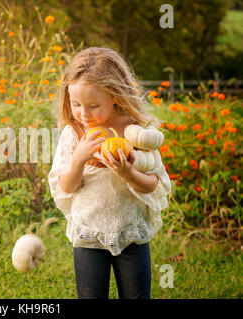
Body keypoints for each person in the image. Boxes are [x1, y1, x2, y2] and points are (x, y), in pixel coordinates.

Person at [48, 47, 171, 299]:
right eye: (76, 104)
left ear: (115, 96)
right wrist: (80, 158)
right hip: (89, 235)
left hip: (130, 233)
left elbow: (152, 185)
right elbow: (66, 186)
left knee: (137, 295)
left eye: (93, 105)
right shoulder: (74, 134)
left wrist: (127, 173)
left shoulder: (135, 131)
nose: (83, 113)